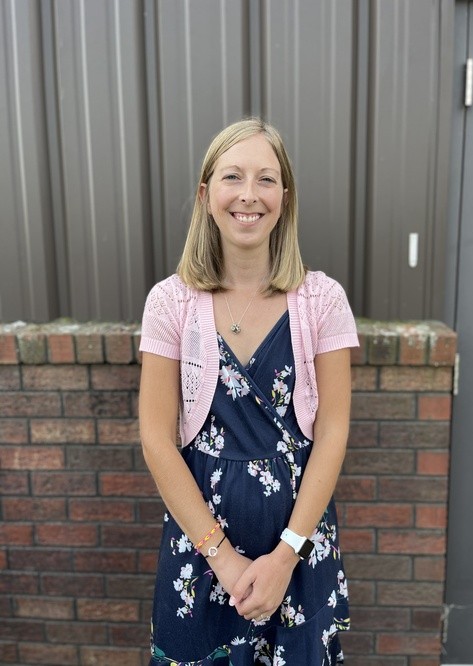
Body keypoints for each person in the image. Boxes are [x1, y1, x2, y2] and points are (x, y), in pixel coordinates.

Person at [139, 118, 359, 665]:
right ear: (206, 195)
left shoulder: (322, 300)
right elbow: (156, 439)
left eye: (266, 179)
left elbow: (333, 431)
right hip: (201, 553)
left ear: (285, 197)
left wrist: (286, 556)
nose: (249, 194)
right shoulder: (170, 303)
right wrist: (223, 558)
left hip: (298, 551)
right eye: (232, 176)